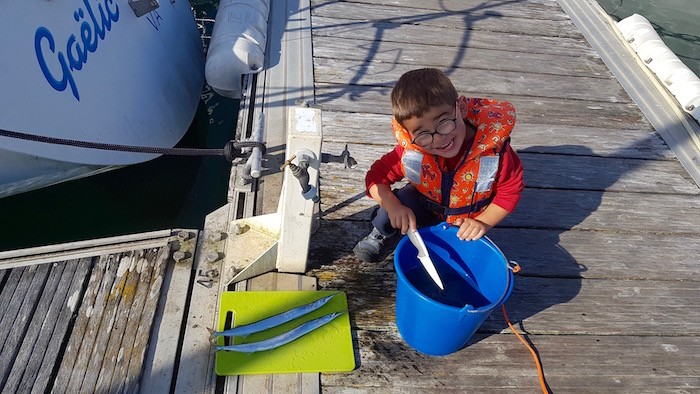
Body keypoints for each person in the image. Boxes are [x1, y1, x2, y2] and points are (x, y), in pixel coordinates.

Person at [353, 68, 524, 263]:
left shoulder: (494, 152)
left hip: (464, 221)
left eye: (443, 122)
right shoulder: (412, 149)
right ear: (409, 134)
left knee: (457, 260)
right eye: (423, 133)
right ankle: (382, 233)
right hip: (424, 206)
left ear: (460, 108)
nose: (439, 139)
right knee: (395, 205)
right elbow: (375, 178)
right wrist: (393, 207)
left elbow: (510, 191)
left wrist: (483, 223)